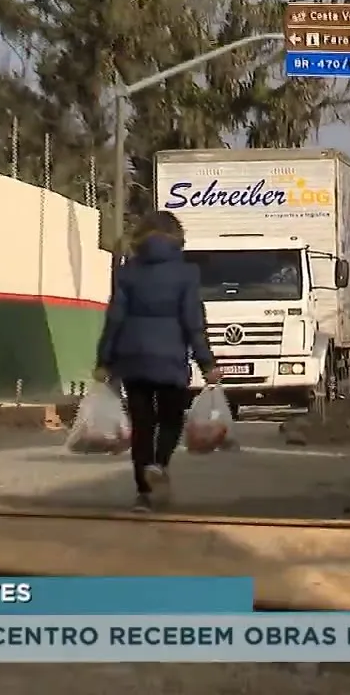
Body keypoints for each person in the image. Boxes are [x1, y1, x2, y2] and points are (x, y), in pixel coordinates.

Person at [93, 210, 219, 513]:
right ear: (177, 239)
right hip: (170, 359)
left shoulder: (127, 273)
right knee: (171, 420)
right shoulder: (187, 274)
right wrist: (206, 362)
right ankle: (159, 465)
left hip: (133, 359)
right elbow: (193, 323)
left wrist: (104, 360)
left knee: (142, 426)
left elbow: (115, 319)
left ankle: (144, 494)